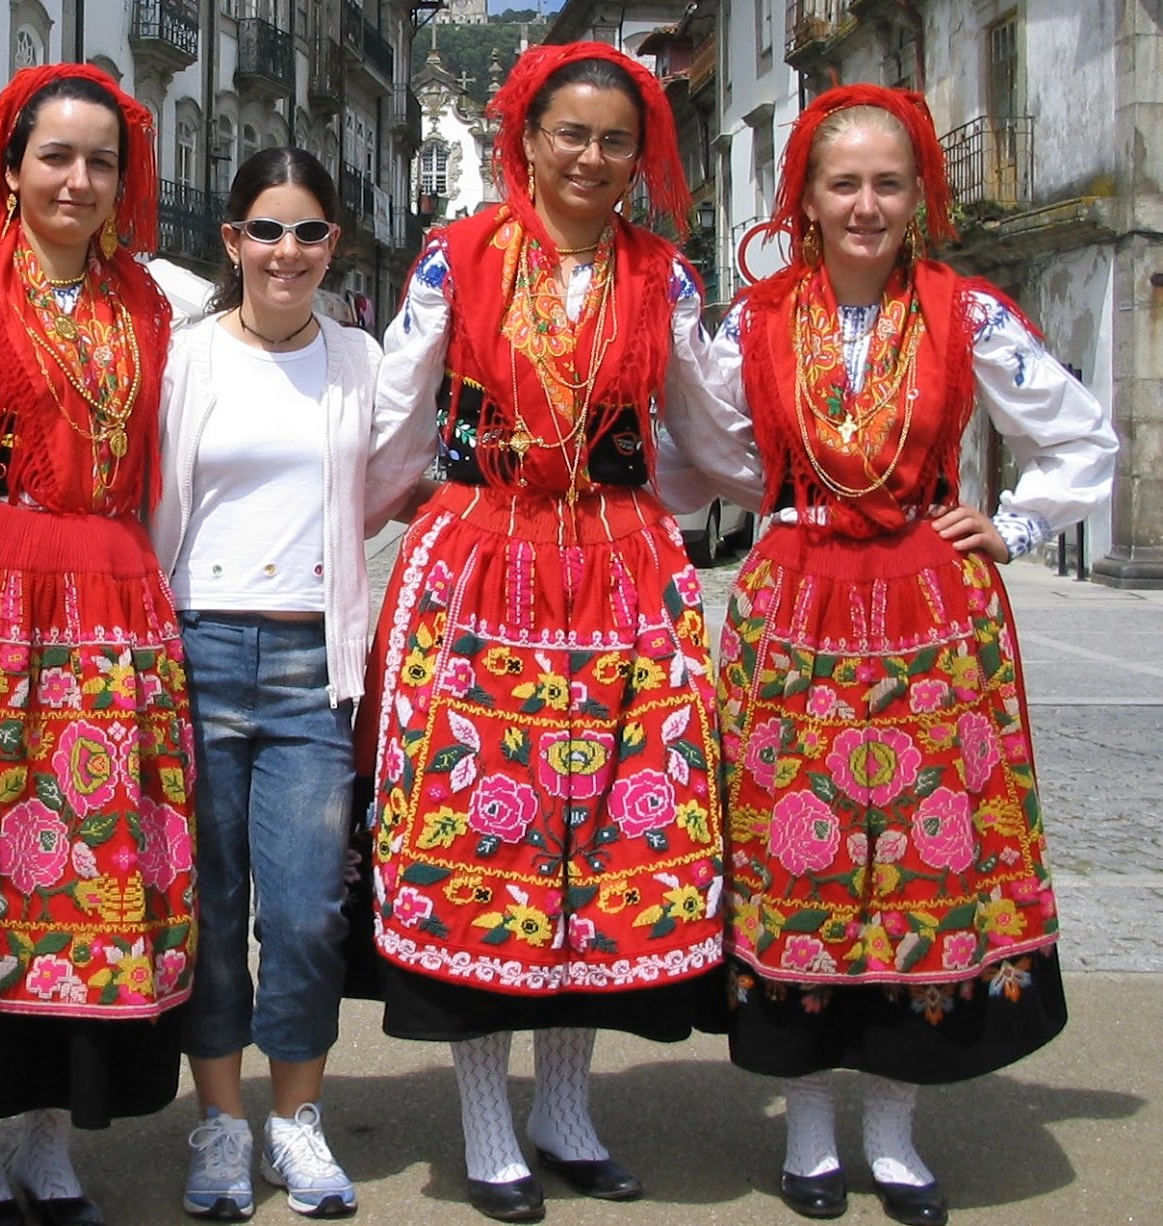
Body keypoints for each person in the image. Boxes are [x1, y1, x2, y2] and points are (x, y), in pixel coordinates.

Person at [696, 85, 1117, 1226]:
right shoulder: (755, 321)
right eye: (844, 184)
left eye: (888, 183)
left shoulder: (965, 312)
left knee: (920, 861)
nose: (867, 204)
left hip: (934, 614)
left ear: (916, 193)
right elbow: (704, 445)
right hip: (797, 615)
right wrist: (777, 504)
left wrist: (1015, 522)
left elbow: (1083, 437)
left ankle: (895, 1131)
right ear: (807, 199)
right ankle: (816, 1131)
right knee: (807, 859)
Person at [361, 43, 734, 1224]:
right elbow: (393, 410)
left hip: (619, 581)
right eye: (567, 133)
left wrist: (648, 502)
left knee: (596, 847)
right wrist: (373, 531)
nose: (588, 157)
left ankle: (566, 1111)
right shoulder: (456, 256)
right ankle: (486, 1122)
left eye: (614, 139)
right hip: (480, 568)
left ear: (639, 154)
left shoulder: (661, 279)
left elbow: (718, 436)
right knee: (489, 838)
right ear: (521, 137)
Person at [0, 64, 193, 1226]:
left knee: (87, 868)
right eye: (55, 159)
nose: (78, 182)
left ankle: (47, 1136)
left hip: (116, 602)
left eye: (100, 164)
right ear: (12, 169)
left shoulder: (155, 300)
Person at [149, 147, 433, 1221]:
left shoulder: (358, 359)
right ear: (231, 241)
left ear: (333, 245)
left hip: (315, 663)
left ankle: (295, 1120)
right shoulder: (183, 358)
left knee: (310, 907)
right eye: (265, 230)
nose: (286, 251)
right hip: (196, 646)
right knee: (211, 908)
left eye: (308, 232)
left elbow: (389, 477)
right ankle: (220, 1122)